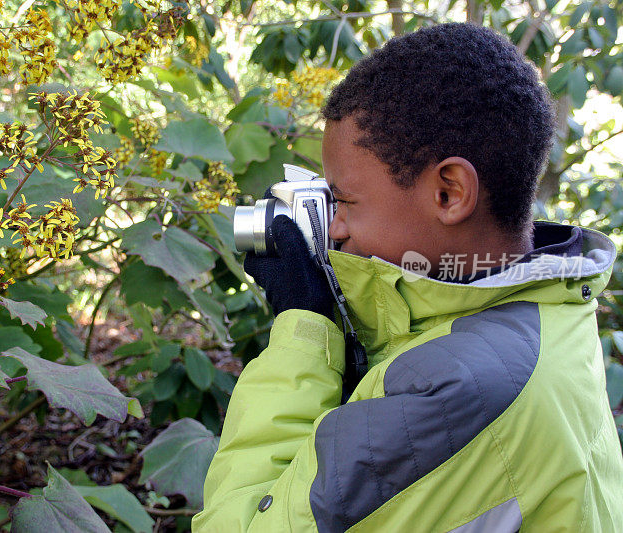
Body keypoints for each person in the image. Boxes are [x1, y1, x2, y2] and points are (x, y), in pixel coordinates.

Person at [192, 22, 623, 532]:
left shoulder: (455, 390)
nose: (335, 227)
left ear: (449, 193)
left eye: (345, 201)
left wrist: (303, 326)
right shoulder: (551, 304)